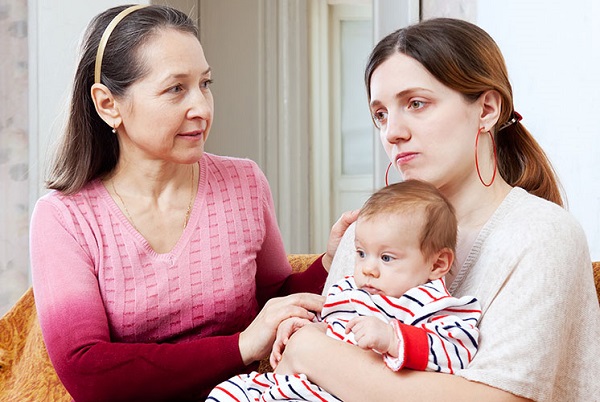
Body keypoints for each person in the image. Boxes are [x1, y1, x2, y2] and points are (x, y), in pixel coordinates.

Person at [274, 17, 600, 402]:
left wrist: (314, 353)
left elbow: (501, 399)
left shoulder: (543, 236)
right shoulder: (368, 232)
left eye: (416, 103)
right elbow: (302, 377)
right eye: (380, 114)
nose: (392, 131)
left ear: (487, 109)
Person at [29, 5, 327, 402]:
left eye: (205, 84)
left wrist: (333, 260)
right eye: (176, 89)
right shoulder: (64, 218)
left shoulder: (245, 182)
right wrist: (239, 347)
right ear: (107, 104)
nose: (202, 108)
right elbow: (88, 372)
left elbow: (274, 300)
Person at [207, 180, 481, 401]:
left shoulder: (430, 305)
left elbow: (456, 353)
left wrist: (392, 338)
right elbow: (327, 324)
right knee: (226, 392)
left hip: (330, 392)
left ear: (437, 263)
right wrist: (299, 326)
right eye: (362, 253)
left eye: (386, 258)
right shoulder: (350, 290)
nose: (368, 269)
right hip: (290, 382)